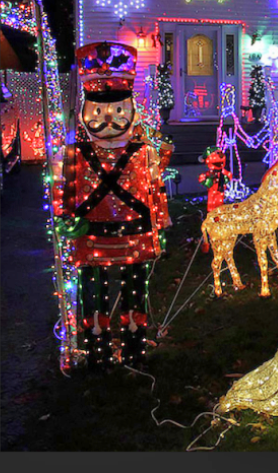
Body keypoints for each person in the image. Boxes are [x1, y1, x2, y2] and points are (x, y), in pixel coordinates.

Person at [51, 42, 171, 370]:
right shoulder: (73, 156)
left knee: (135, 290)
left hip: (135, 233)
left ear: (130, 110)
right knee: (94, 292)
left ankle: (134, 346)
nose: (109, 120)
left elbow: (155, 190)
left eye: (119, 111)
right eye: (100, 112)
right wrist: (64, 219)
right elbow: (64, 193)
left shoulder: (144, 153)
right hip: (92, 238)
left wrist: (160, 223)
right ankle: (96, 352)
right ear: (87, 111)